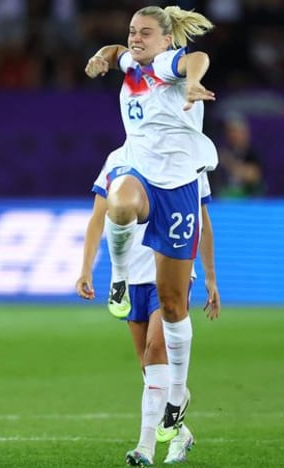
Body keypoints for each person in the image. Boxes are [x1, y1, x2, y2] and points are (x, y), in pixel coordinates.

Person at [82, 5, 217, 466]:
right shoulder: (132, 62)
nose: (136, 39)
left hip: (178, 190)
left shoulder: (167, 64)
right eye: (132, 31)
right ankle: (119, 277)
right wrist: (104, 56)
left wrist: (194, 81)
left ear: (164, 40)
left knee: (175, 306)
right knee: (119, 200)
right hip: (142, 180)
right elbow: (117, 50)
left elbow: (194, 60)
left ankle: (178, 397)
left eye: (145, 33)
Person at [76, 150, 221, 465]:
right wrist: (86, 268)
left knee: (157, 350)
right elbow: (98, 218)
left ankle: (144, 448)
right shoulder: (117, 160)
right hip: (132, 278)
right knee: (149, 367)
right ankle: (179, 427)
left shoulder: (188, 155)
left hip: (171, 270)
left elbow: (202, 220)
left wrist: (210, 275)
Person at [212, 113, 265, 198]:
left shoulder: (252, 153)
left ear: (244, 133)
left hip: (247, 199)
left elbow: (253, 176)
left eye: (234, 131)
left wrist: (229, 163)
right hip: (222, 198)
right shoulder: (222, 151)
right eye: (228, 131)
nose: (231, 135)